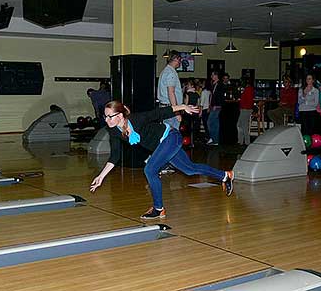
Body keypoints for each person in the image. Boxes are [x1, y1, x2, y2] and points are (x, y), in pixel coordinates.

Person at [90, 100, 234, 219]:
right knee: (189, 169)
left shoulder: (137, 119)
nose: (107, 120)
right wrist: (101, 176)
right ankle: (225, 176)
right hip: (163, 145)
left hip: (171, 137)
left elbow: (159, 113)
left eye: (110, 116)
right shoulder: (114, 131)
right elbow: (115, 155)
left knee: (150, 170)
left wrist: (183, 107)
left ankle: (159, 209)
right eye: (105, 116)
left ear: (120, 115)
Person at [157, 50, 183, 129]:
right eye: (179, 60)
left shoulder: (164, 71)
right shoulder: (171, 73)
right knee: (173, 135)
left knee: (167, 134)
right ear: (175, 59)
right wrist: (177, 112)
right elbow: (171, 92)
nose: (180, 62)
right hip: (170, 109)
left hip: (164, 107)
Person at [207, 71, 225, 145]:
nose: (211, 76)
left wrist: (216, 105)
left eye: (212, 75)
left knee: (210, 122)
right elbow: (212, 96)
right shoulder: (214, 84)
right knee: (214, 123)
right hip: (213, 106)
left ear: (216, 76)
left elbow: (219, 96)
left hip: (216, 106)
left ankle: (214, 139)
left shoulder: (219, 84)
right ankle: (215, 140)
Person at [236, 78, 254, 146]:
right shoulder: (249, 89)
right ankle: (242, 141)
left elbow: (248, 101)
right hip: (245, 109)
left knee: (243, 126)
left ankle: (245, 142)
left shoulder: (248, 89)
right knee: (241, 125)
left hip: (245, 109)